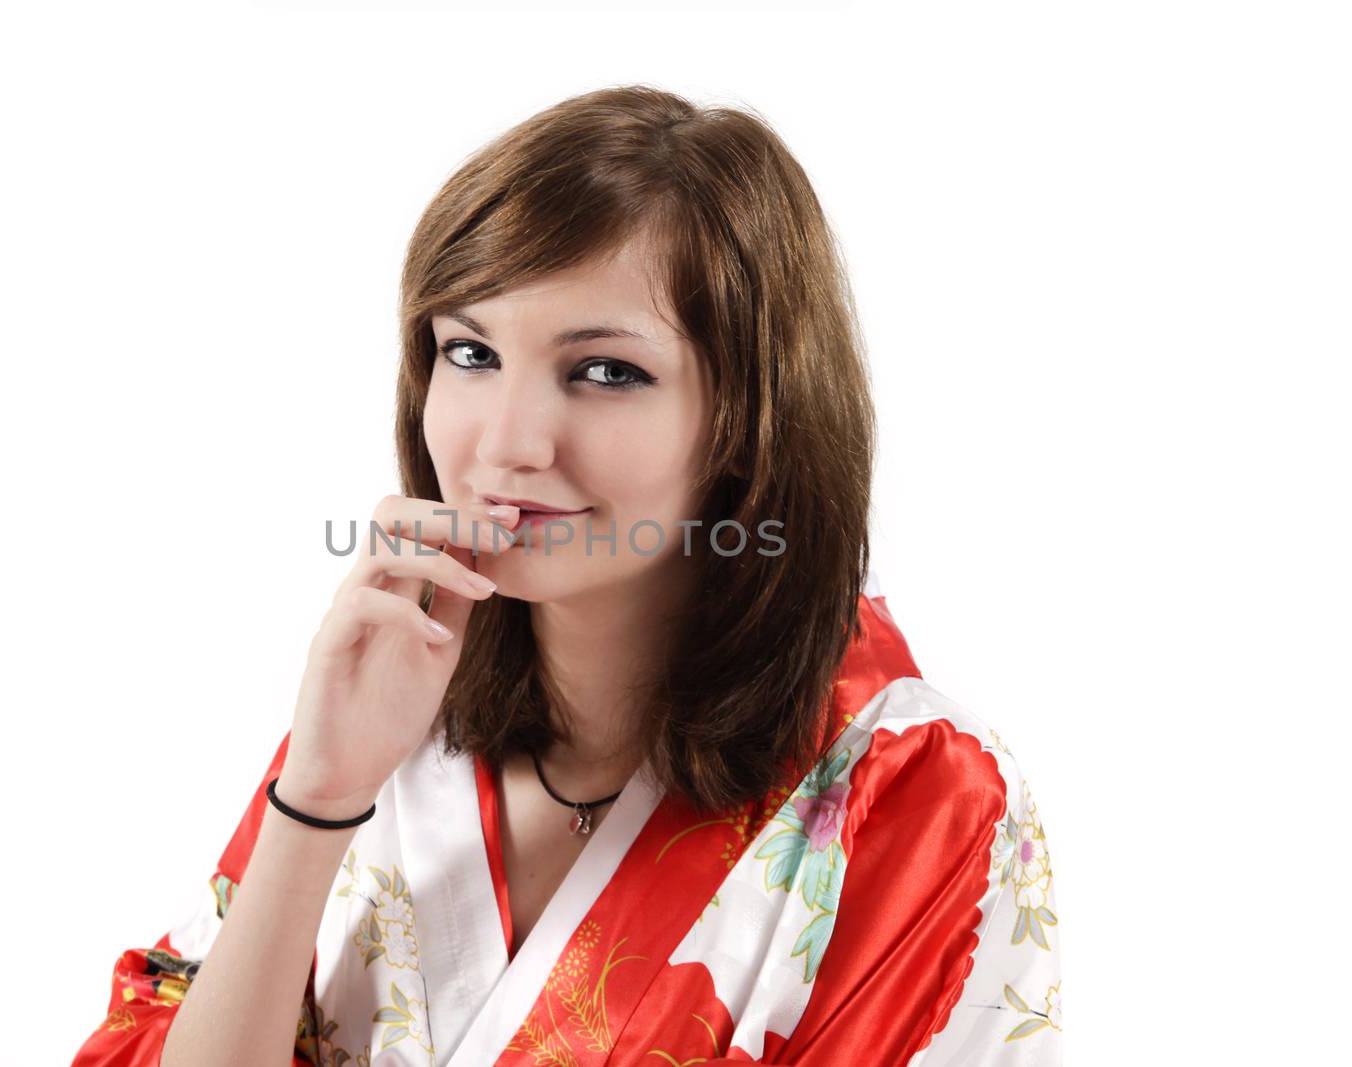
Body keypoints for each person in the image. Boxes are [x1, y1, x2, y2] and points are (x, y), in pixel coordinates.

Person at [71, 85, 1063, 1067]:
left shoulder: (913, 787)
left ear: (747, 412)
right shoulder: (392, 709)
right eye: (469, 351)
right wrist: (319, 792)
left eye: (602, 371)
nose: (504, 444)